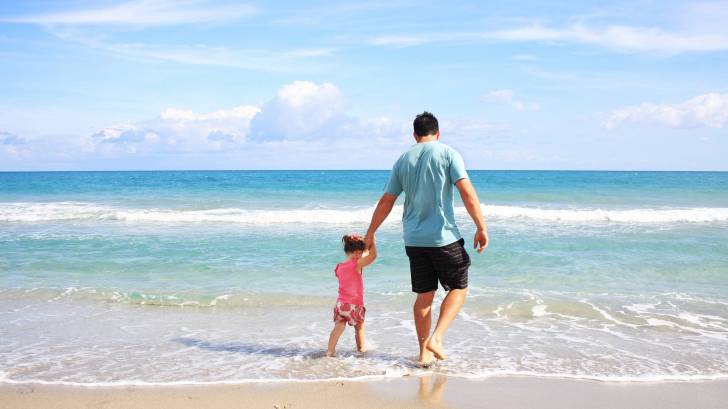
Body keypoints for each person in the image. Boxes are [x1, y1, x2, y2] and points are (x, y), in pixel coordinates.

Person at [364, 111, 488, 366]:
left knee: (424, 296)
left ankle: (424, 354)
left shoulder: (402, 160)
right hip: (443, 238)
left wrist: (371, 231)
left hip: (413, 239)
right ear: (437, 133)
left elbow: (387, 200)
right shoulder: (448, 153)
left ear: (414, 134)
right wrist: (481, 226)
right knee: (459, 287)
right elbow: (466, 192)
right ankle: (437, 338)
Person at [326, 234, 377, 357]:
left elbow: (362, 256)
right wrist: (372, 241)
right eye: (358, 253)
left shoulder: (339, 267)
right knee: (359, 328)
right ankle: (361, 350)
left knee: (338, 328)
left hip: (341, 304)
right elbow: (373, 256)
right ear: (352, 252)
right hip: (355, 305)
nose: (359, 255)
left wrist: (364, 248)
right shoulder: (357, 264)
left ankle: (329, 352)